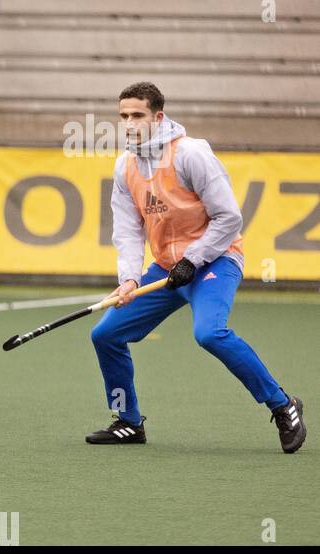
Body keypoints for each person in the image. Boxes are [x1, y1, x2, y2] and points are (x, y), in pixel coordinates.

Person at [88, 81, 305, 452]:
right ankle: (127, 421)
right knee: (105, 335)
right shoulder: (125, 166)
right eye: (123, 116)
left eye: (137, 115)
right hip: (166, 268)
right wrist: (128, 279)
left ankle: (282, 404)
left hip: (216, 260)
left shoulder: (190, 154)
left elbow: (229, 218)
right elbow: (127, 232)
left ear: (157, 117)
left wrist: (193, 260)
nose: (129, 123)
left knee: (209, 333)